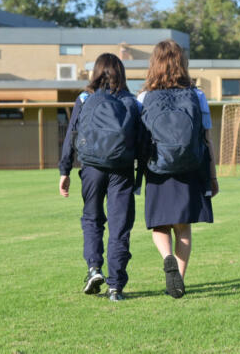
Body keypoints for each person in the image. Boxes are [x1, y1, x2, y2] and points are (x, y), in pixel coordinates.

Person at [138, 39, 219, 299]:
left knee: (159, 225)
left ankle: (167, 257)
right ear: (182, 63)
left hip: (157, 167)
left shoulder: (144, 98)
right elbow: (207, 138)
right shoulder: (196, 95)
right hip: (191, 166)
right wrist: (213, 176)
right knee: (183, 227)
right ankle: (180, 279)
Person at [58, 53, 142, 302]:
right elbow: (140, 139)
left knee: (92, 219)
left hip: (91, 167)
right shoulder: (131, 101)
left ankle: (94, 268)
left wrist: (65, 171)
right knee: (120, 227)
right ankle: (115, 286)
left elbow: (71, 135)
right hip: (122, 169)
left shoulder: (85, 98)